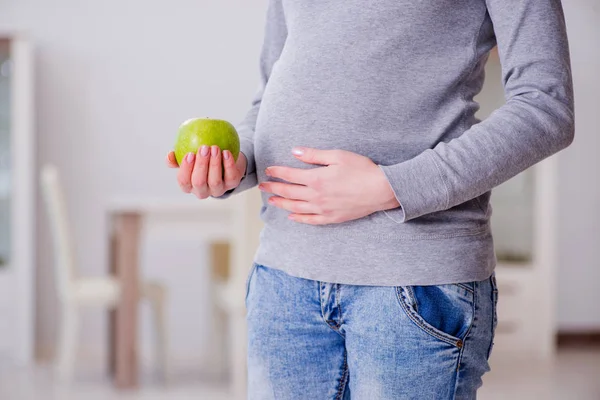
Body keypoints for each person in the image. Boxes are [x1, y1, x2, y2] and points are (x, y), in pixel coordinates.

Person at [166, 0, 574, 398]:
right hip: (283, 279)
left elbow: (545, 106)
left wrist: (391, 187)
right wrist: (237, 164)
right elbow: (270, 96)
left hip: (411, 283)